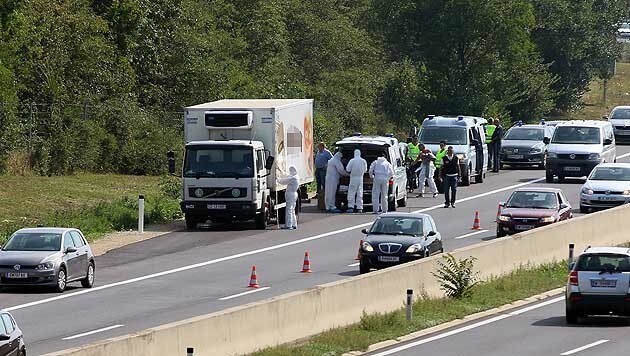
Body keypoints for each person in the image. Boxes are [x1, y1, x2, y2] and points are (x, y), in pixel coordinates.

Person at [346, 149, 368, 213]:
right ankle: (359, 207)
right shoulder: (363, 161)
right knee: (360, 193)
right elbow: (365, 170)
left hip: (353, 178)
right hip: (360, 178)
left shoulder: (352, 161)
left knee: (351, 192)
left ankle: (351, 207)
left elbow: (348, 169)